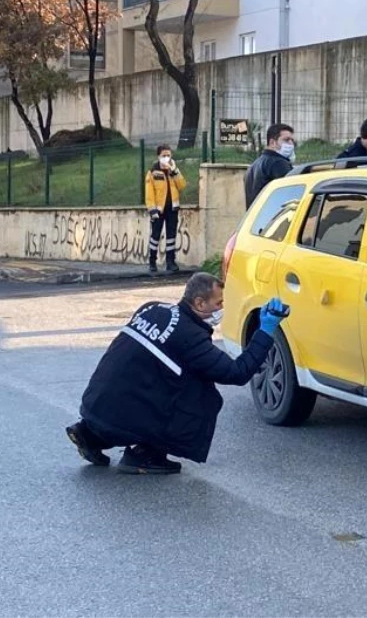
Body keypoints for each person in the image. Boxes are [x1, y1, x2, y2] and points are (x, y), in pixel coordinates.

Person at [65, 273, 289, 474]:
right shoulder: (189, 336)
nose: (222, 308)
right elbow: (236, 373)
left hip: (95, 406)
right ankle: (146, 454)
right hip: (121, 413)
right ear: (199, 302)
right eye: (218, 303)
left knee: (165, 375)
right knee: (203, 395)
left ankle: (89, 435)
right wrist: (265, 330)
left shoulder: (151, 308)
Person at [145, 144, 187, 274]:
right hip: (158, 210)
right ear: (158, 156)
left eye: (168, 155)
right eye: (164, 155)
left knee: (171, 236)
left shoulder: (174, 170)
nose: (166, 158)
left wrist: (174, 171)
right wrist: (152, 210)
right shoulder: (153, 172)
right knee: (155, 236)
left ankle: (170, 262)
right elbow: (149, 193)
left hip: (172, 209)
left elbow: (182, 186)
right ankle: (152, 262)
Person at [244, 123, 295, 209]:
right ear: (272, 142)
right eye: (286, 140)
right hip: (275, 218)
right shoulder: (278, 163)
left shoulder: (253, 165)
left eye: (292, 140)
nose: (291, 144)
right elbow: (292, 194)